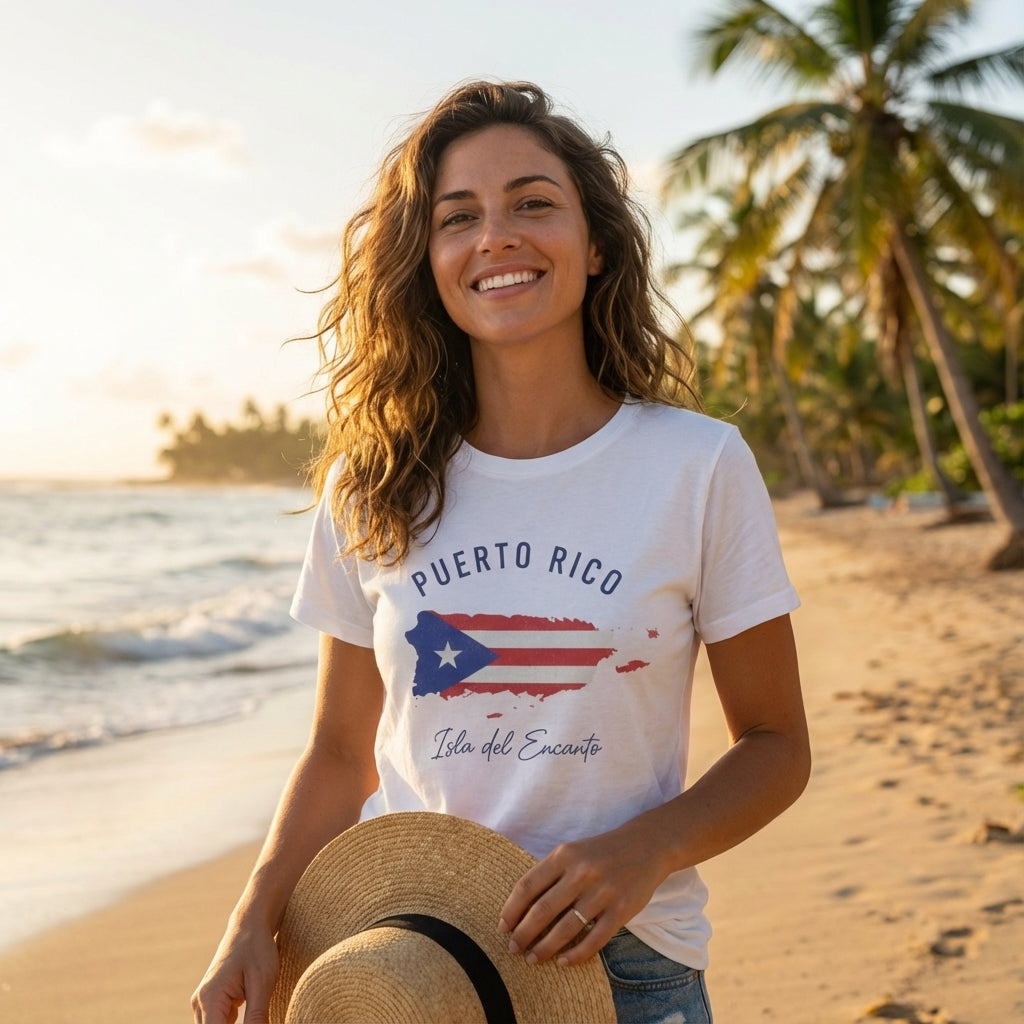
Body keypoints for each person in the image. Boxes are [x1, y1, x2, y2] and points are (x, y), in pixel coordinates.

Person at [192, 79, 810, 1024]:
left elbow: (776, 746)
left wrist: (648, 848)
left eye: (533, 203)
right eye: (458, 217)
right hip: (406, 964)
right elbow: (339, 753)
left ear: (595, 245)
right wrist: (252, 915)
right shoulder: (372, 485)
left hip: (622, 959)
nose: (496, 237)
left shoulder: (695, 466)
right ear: (428, 261)